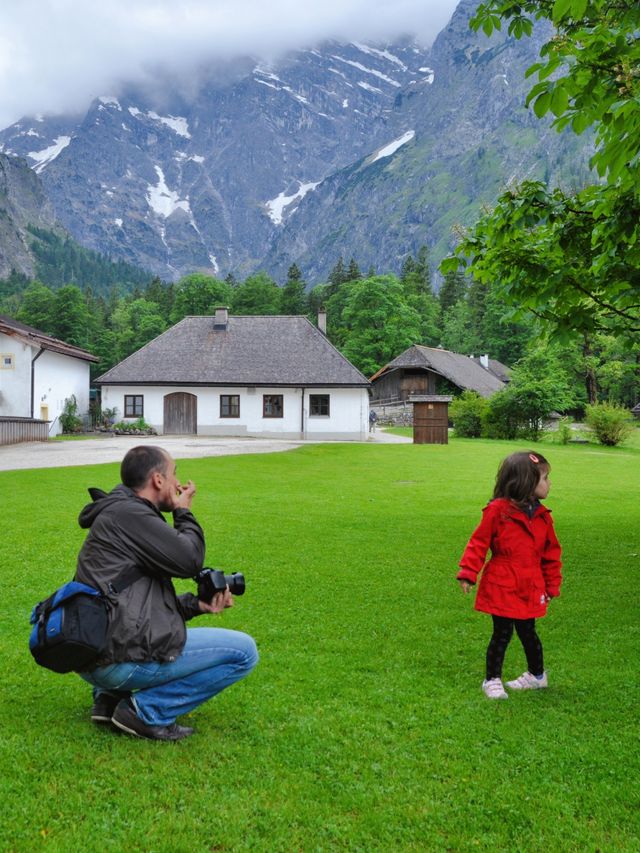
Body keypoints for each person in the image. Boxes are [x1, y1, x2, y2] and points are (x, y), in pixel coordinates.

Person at [74, 445, 258, 740]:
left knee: (128, 623)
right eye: (174, 474)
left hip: (92, 655)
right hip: (116, 658)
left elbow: (138, 604)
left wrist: (196, 605)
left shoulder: (117, 512)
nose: (178, 483)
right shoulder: (132, 516)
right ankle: (145, 712)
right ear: (158, 480)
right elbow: (189, 559)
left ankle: (107, 699)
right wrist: (184, 511)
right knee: (244, 652)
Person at [456, 451, 562, 699]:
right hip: (502, 583)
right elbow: (478, 543)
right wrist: (468, 572)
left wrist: (552, 584)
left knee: (528, 631)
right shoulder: (497, 511)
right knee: (502, 633)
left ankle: (537, 676)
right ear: (525, 481)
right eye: (545, 478)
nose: (549, 483)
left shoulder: (543, 517)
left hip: (530, 585)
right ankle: (492, 679)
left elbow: (551, 554)